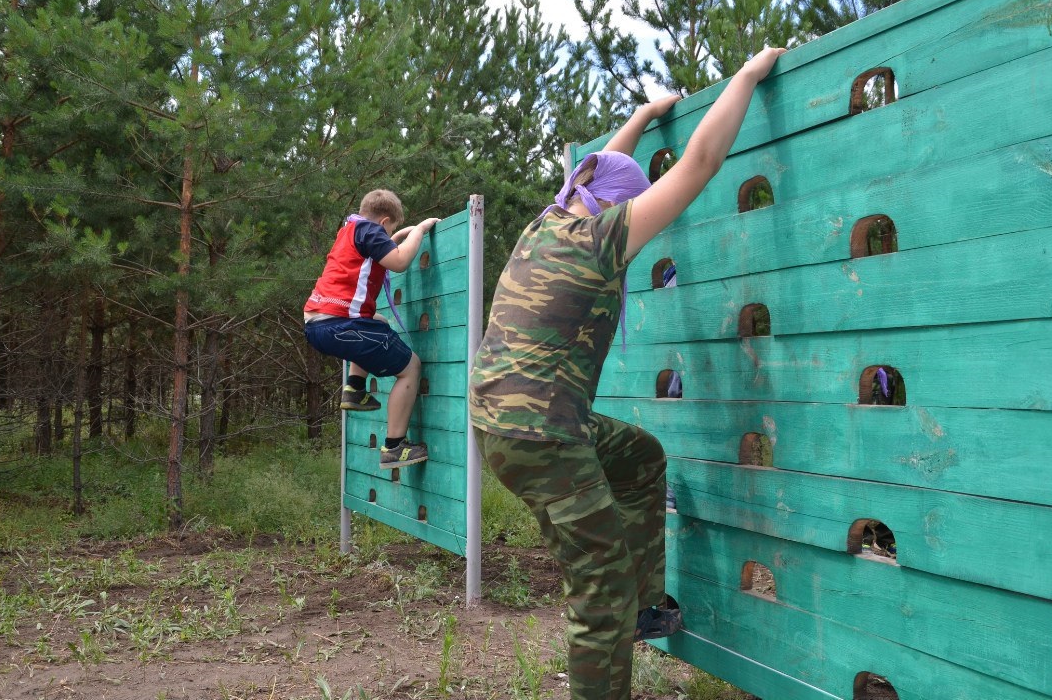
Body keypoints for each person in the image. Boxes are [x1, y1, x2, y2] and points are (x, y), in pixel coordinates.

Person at [468, 46, 787, 699]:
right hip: (542, 436)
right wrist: (748, 75)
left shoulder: (546, 224)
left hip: (505, 421)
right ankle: (619, 617)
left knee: (640, 458)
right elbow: (699, 163)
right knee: (599, 587)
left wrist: (640, 117)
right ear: (615, 208)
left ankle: (642, 608)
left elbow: (599, 170)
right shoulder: (600, 240)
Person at [304, 189, 440, 468]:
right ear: (384, 221)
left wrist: (395, 238)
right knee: (411, 367)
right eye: (388, 230)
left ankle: (354, 389)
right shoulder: (370, 230)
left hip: (317, 322)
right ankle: (394, 447)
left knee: (378, 323)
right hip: (339, 324)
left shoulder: (350, 230)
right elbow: (399, 262)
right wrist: (419, 230)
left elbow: (377, 253)